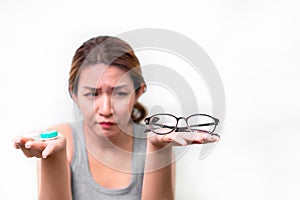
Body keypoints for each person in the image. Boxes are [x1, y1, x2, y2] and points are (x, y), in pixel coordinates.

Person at [13, 35, 219, 200]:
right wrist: (53, 159)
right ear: (74, 94)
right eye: (92, 94)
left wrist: (158, 150)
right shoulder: (61, 141)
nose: (105, 109)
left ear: (139, 92)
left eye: (119, 93)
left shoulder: (157, 140)